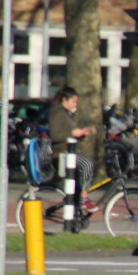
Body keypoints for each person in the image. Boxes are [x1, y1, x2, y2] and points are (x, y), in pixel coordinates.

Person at [48, 85, 96, 213]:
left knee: (79, 180)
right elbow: (55, 135)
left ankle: (76, 209)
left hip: (70, 153)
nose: (75, 104)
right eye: (73, 101)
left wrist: (81, 135)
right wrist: (73, 133)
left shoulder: (68, 115)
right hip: (61, 155)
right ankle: (83, 198)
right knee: (87, 164)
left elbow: (71, 134)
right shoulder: (58, 113)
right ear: (65, 100)